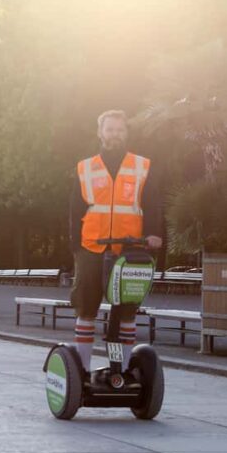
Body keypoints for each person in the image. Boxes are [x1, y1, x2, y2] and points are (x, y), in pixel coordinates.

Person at [69, 109, 162, 383]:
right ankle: (83, 372)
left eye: (119, 130)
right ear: (100, 133)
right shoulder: (85, 167)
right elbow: (75, 210)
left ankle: (119, 370)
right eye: (109, 129)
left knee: (126, 311)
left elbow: (153, 203)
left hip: (130, 250)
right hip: (92, 247)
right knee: (87, 309)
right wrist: (74, 245)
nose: (114, 134)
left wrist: (154, 233)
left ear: (126, 133)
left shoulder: (142, 166)